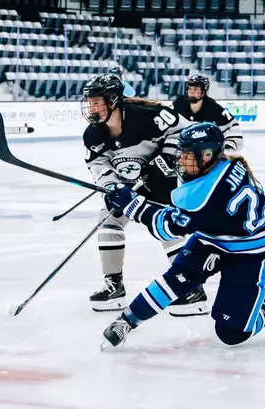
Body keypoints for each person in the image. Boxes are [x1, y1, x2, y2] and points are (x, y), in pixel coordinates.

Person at [100, 122, 265, 348]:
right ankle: (127, 321)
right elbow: (186, 206)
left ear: (206, 155)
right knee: (177, 278)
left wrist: (132, 205)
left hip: (252, 250)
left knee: (231, 334)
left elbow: (166, 227)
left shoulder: (208, 195)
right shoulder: (219, 164)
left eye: (186, 155)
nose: (181, 160)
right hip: (215, 234)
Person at [81, 74, 210, 317]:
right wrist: (112, 187)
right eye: (90, 102)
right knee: (108, 221)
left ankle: (192, 288)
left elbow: (185, 131)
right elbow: (98, 164)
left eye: (97, 102)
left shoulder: (147, 116)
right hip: (128, 185)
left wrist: (166, 158)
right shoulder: (93, 134)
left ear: (113, 101)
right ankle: (114, 287)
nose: (92, 108)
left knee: (168, 227)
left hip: (160, 179)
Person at [170, 74, 243, 153]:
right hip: (179, 150)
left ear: (203, 92)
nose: (192, 93)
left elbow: (232, 126)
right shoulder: (178, 105)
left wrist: (227, 147)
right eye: (190, 89)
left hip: (203, 152)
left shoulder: (215, 109)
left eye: (196, 89)